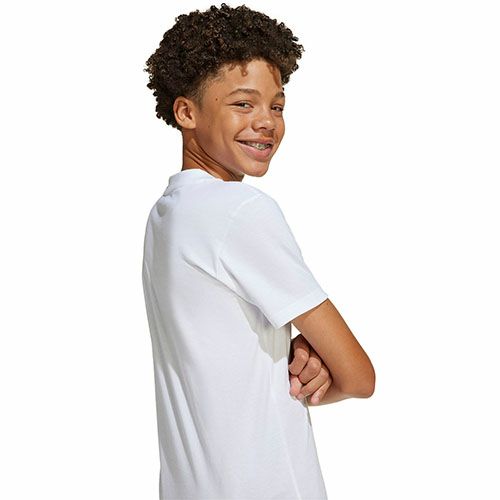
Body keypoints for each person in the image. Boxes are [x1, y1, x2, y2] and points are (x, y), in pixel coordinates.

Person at [142, 4, 375, 499]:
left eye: (277, 106)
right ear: (186, 112)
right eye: (243, 104)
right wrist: (316, 371)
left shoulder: (167, 215)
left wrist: (292, 353)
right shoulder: (240, 210)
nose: (266, 122)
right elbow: (359, 376)